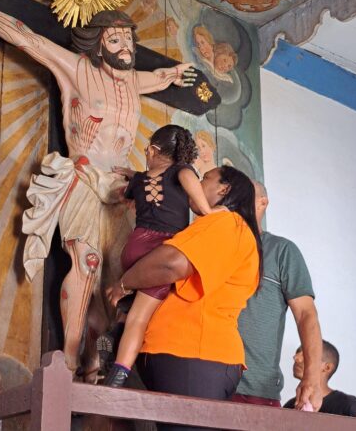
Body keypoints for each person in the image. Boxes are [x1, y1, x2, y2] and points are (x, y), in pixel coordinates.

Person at [0, 0, 197, 377]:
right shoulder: (77, 69)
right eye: (115, 40)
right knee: (85, 260)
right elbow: (29, 39)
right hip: (83, 177)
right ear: (98, 44)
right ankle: (70, 354)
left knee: (125, 269)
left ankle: (104, 357)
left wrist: (178, 74)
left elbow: (163, 76)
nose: (125, 47)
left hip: (122, 186)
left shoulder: (133, 82)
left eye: (128, 40)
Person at [108, 166, 262, 431]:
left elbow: (172, 264)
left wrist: (124, 284)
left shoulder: (227, 222)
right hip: (189, 358)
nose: (198, 183)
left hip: (195, 356)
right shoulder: (218, 227)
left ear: (224, 190)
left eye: (205, 179)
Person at [103, 125, 225, 387]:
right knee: (140, 318)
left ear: (154, 150)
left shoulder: (138, 180)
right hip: (161, 251)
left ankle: (113, 337)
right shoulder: (183, 171)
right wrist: (218, 212)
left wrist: (133, 175)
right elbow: (200, 205)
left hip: (135, 246)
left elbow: (132, 192)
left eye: (147, 150)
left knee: (131, 311)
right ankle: (117, 376)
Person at [233, 181, 323, 410]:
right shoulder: (211, 246)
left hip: (256, 390)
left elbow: (305, 314)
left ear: (263, 203)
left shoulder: (282, 251)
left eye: (245, 195)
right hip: (204, 383)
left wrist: (312, 379)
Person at [284, 341, 356, 417]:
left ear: (327, 368)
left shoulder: (348, 405)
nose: (296, 358)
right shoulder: (289, 406)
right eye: (297, 354)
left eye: (305, 356)